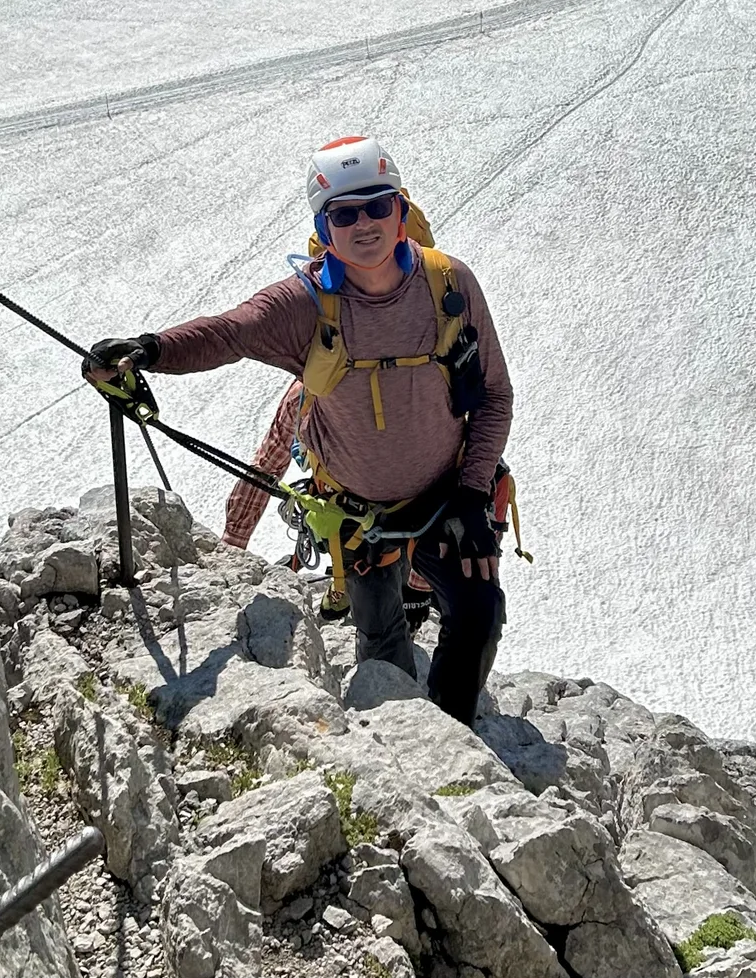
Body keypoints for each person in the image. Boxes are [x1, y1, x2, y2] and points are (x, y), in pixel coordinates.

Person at [86, 135, 512, 725]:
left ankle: (451, 729)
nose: (363, 223)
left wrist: (471, 494)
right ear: (324, 223)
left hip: (445, 500)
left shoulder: (450, 286)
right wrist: (151, 350)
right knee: (380, 639)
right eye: (343, 213)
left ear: (401, 210)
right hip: (359, 515)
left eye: (376, 206)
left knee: (479, 611)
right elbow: (231, 331)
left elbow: (494, 394)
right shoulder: (307, 306)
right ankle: (400, 730)